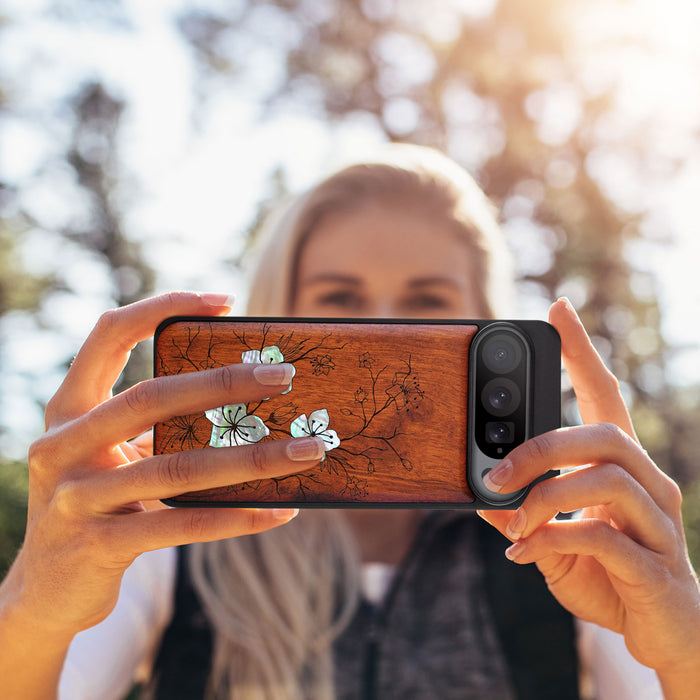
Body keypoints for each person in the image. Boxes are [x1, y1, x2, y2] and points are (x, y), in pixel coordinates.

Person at [0, 145, 698, 700]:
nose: (386, 325)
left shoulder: (567, 543)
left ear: (487, 323)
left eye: (428, 301)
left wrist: (685, 648)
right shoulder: (172, 533)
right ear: (279, 312)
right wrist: (34, 607)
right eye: (340, 298)